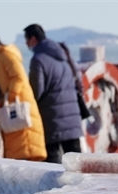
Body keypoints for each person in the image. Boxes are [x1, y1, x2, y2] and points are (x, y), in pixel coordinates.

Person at [0, 34, 46, 162]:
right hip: (19, 102)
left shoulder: (6, 55)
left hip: (19, 103)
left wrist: (10, 96)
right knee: (20, 142)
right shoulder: (2, 57)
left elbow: (19, 77)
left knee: (25, 141)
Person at [23, 23, 83, 164]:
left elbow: (36, 91)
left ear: (33, 39)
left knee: (52, 164)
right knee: (77, 164)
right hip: (72, 116)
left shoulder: (38, 59)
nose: (26, 44)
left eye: (26, 40)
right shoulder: (63, 54)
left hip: (52, 118)